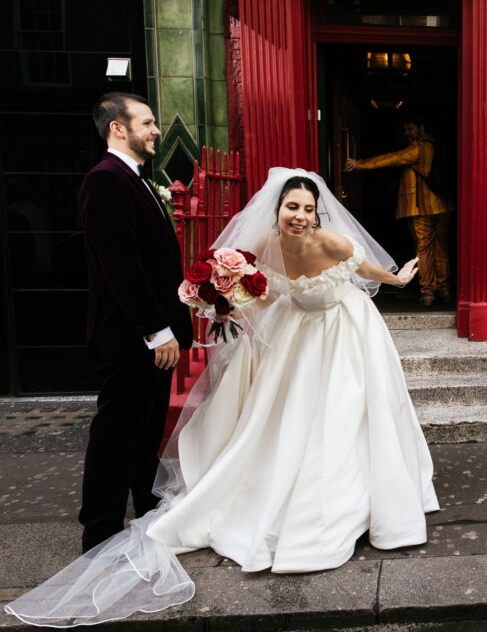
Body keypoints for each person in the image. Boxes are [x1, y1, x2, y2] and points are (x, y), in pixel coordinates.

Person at [5, 168, 439, 626]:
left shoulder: (331, 241)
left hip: (344, 329)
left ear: (318, 213)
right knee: (283, 418)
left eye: (308, 209)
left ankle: (361, 488)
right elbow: (263, 292)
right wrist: (223, 301)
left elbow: (363, 269)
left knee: (352, 412)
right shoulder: (268, 246)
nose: (300, 215)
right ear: (278, 210)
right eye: (292, 207)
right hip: (298, 333)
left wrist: (398, 280)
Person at [77, 91, 194, 552]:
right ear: (117, 129)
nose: (157, 130)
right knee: (116, 432)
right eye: (146, 122)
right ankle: (100, 529)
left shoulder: (137, 180)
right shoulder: (106, 180)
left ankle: (147, 508)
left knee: (144, 431)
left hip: (146, 337)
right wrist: (157, 330)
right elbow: (119, 265)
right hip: (130, 338)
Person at [345, 116, 453, 306]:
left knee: (424, 250)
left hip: (423, 206)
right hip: (443, 205)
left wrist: (359, 164)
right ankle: (444, 290)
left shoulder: (419, 147)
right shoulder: (437, 145)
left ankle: (428, 292)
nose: (407, 133)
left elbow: (393, 158)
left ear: (421, 128)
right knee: (441, 249)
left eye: (410, 128)